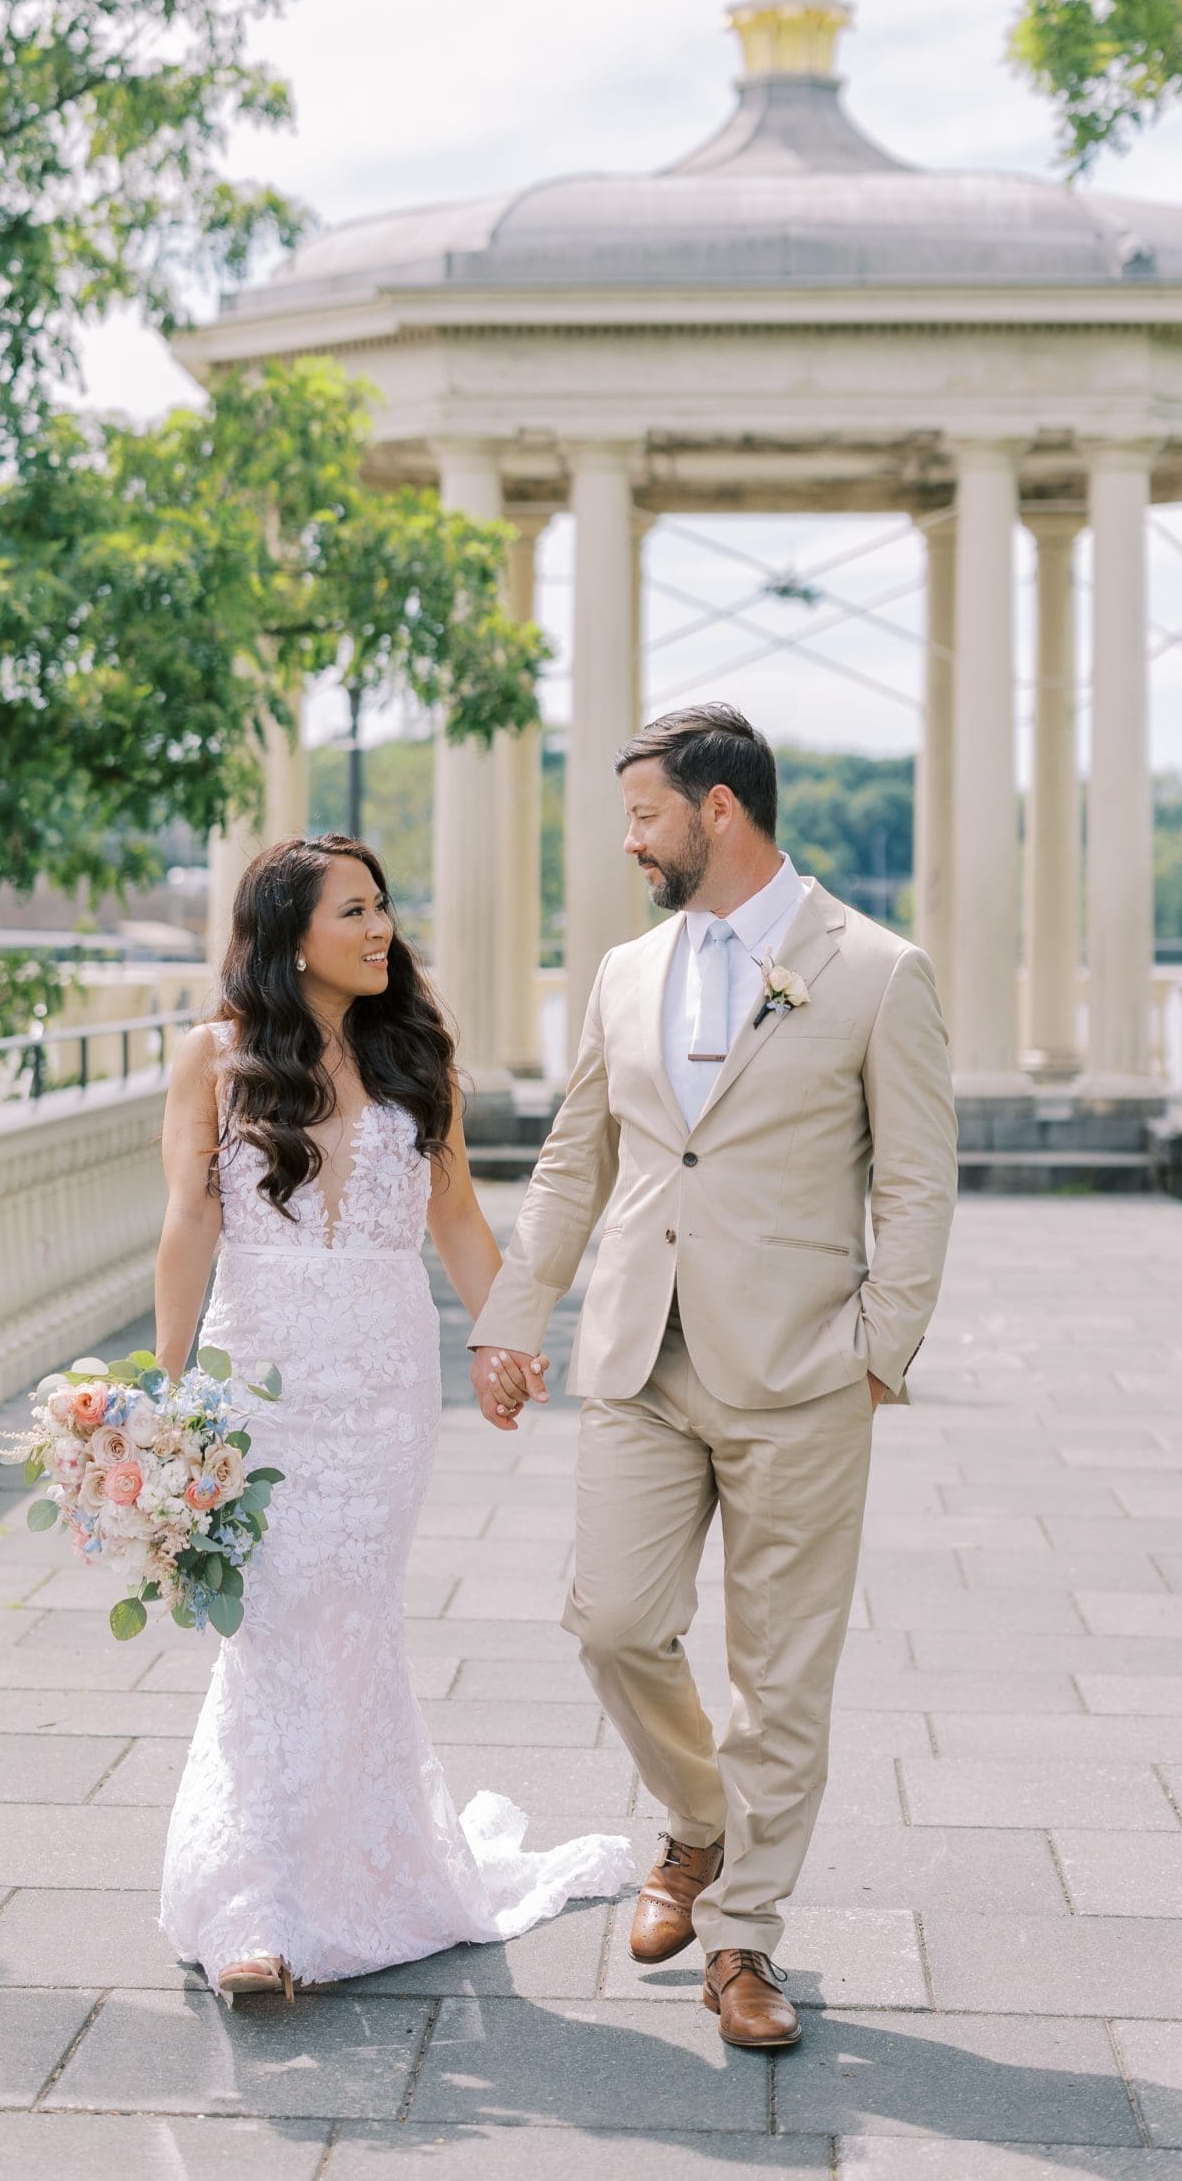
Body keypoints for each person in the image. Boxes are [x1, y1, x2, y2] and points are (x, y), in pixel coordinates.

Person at [470, 705, 956, 2051]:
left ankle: (744, 1940)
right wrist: (515, 1317)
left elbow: (916, 1179)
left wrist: (880, 1351)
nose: (630, 840)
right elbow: (582, 1158)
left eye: (643, 815)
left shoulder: (874, 969)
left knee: (782, 1675)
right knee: (612, 1620)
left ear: (718, 810)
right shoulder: (625, 974)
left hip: (800, 1373)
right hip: (637, 1354)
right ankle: (696, 1823)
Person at [154, 832, 630, 2000]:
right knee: (268, 1628)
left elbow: (459, 1216)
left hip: (379, 1388)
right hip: (253, 1383)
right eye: (350, 911)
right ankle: (254, 1911)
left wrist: (506, 1333)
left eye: (381, 909)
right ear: (285, 934)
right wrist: (161, 1401)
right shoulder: (212, 1060)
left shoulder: (416, 1053)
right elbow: (187, 1227)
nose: (377, 930)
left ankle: (357, 1877)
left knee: (349, 1619)